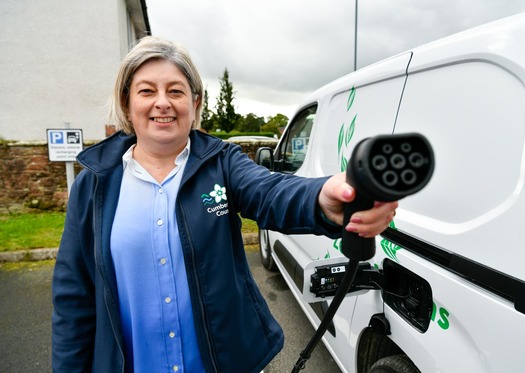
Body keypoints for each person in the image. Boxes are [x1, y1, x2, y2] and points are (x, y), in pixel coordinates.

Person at [51, 36, 398, 373]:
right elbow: (73, 296)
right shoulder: (93, 185)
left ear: (196, 102)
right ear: (127, 101)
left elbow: (269, 191)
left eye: (175, 91)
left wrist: (322, 198)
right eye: (147, 91)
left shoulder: (221, 163)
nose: (162, 102)